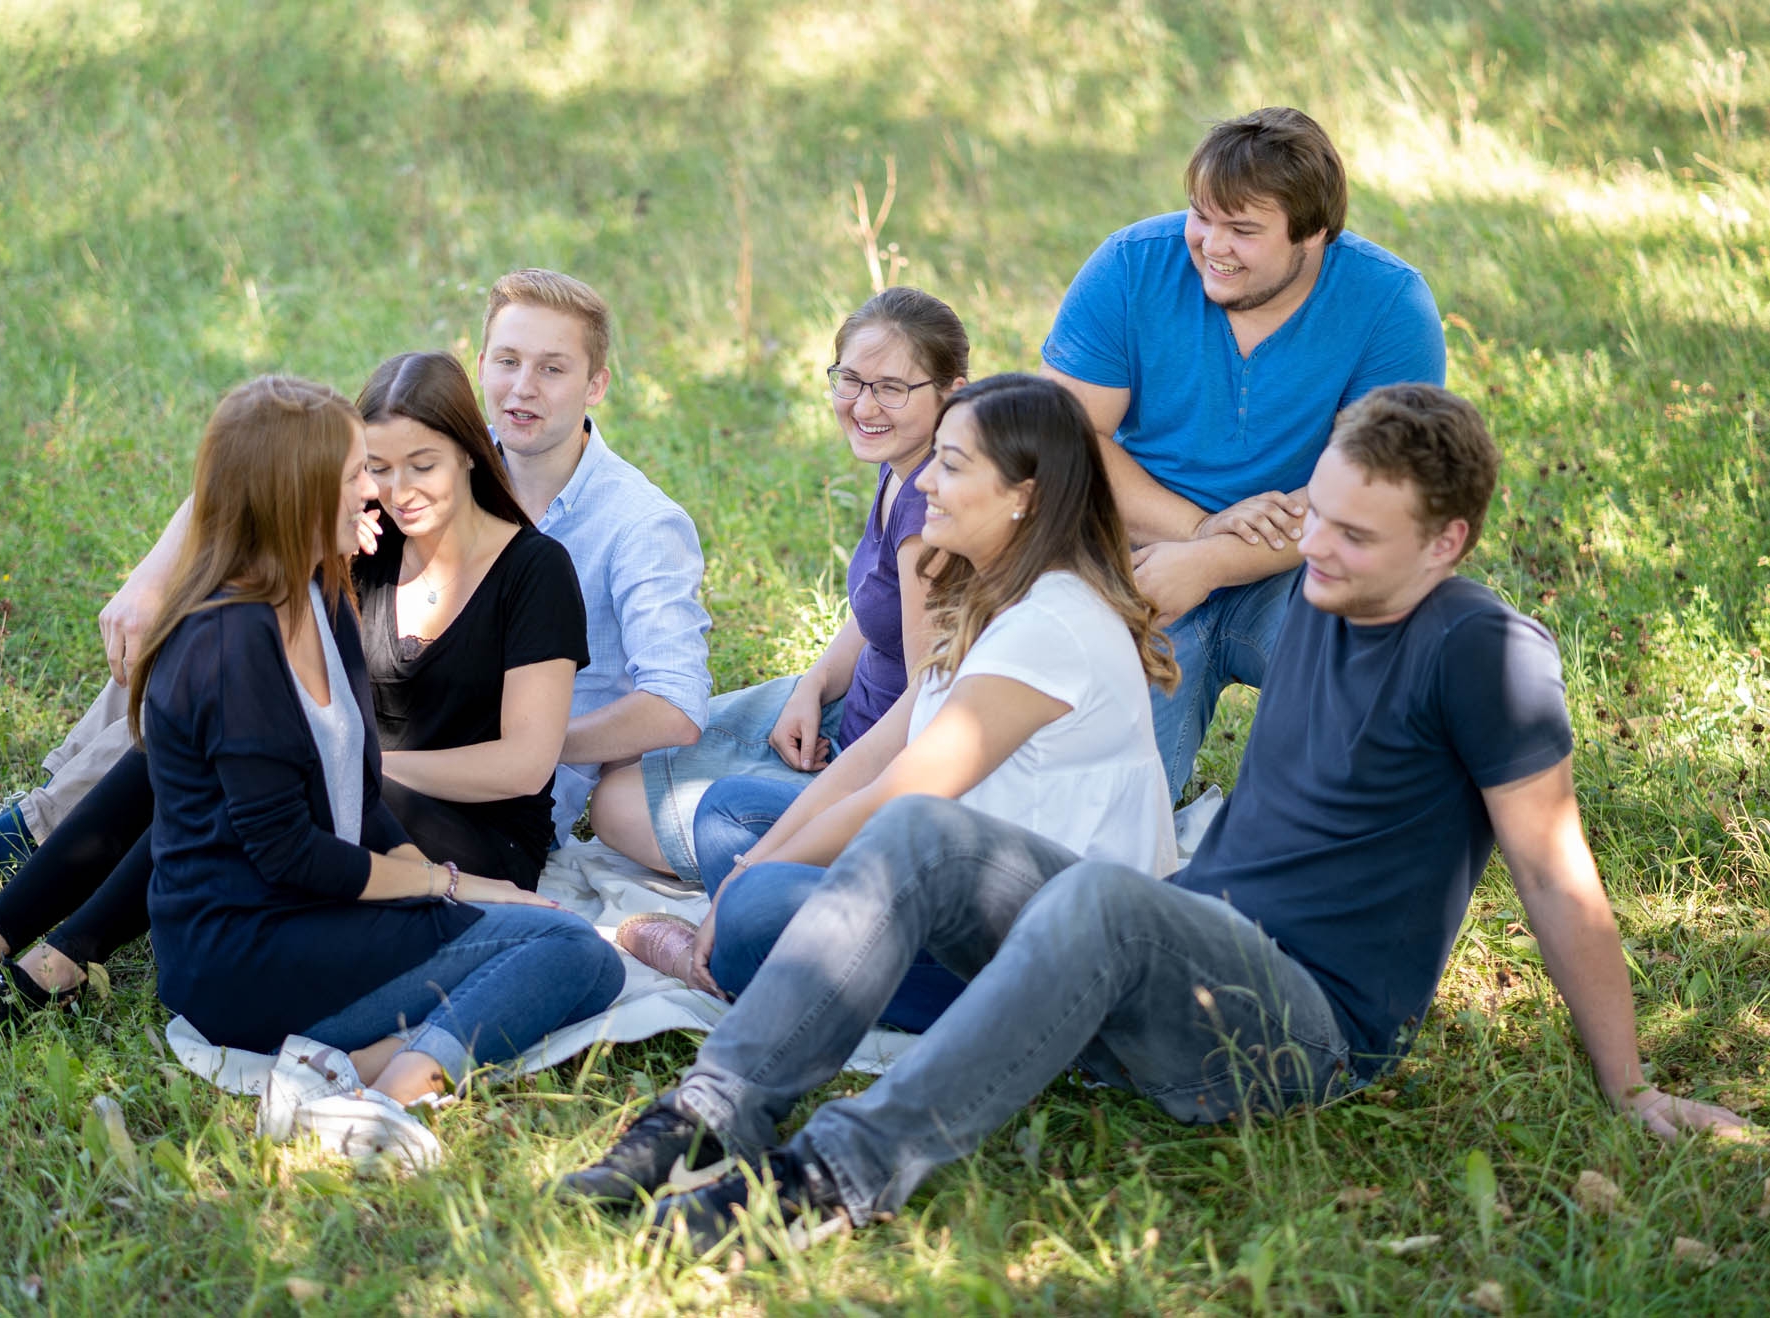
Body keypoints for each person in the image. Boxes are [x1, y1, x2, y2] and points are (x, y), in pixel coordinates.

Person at [556, 383, 1749, 1249]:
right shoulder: (1319, 592)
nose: (1313, 547)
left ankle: (835, 1175)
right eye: (1315, 512)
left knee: (1106, 897)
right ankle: (711, 1112)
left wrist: (1630, 1086)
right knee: (918, 832)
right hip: (1178, 942)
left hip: (1302, 1022)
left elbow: (1556, 871)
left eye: (1352, 534)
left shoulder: (1485, 653)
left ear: (1447, 543)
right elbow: (1118, 588)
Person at [0, 269, 711, 913]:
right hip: (376, 700)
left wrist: (529, 728)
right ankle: (20, 842)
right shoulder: (441, 438)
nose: (524, 389)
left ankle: (34, 884)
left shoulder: (637, 524)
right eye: (509, 361)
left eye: (553, 369)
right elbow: (268, 468)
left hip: (476, 785)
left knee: (246, 737)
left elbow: (675, 705)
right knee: (203, 626)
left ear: (596, 384)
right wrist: (149, 582)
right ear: (478, 361)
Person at [0, 353, 601, 1038]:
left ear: (473, 453)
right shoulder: (354, 543)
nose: (389, 492)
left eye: (420, 466)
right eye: (374, 467)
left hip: (469, 824)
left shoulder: (533, 570)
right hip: (346, 799)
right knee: (178, 761)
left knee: (252, 786)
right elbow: (248, 481)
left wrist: (338, 769)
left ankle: (58, 965)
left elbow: (523, 767)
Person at [134, 373, 621, 1168]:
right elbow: (290, 853)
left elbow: (360, 797)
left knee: (569, 944)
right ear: (297, 494)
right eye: (360, 472)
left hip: (316, 911)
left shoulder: (321, 597)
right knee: (573, 955)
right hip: (245, 948)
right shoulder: (230, 645)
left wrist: (457, 879)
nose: (377, 492)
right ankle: (390, 1095)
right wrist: (446, 888)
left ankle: (339, 1067)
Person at [624, 374, 1179, 1038]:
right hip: (956, 875)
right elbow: (876, 754)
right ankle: (751, 945)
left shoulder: (1047, 627)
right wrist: (753, 863)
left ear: (1022, 499)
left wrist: (747, 887)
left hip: (1041, 948)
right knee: (728, 814)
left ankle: (729, 959)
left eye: (950, 465)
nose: (922, 484)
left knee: (757, 908)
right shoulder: (997, 592)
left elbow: (897, 794)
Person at [1040, 105, 1446, 799]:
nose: (1210, 245)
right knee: (1104, 811)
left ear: (1313, 234)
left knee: (1399, 674)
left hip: (1303, 562)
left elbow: (1372, 497)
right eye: (1202, 215)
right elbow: (1061, 440)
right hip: (1143, 557)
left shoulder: (1388, 304)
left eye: (1243, 229)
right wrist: (1194, 532)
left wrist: (1213, 560)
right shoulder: (1131, 266)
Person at [590, 287, 967, 883]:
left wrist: (822, 812)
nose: (865, 406)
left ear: (953, 394)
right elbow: (882, 612)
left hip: (869, 759)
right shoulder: (902, 465)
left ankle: (783, 870)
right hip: (843, 709)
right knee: (624, 749)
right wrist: (812, 685)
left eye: (892, 388)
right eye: (850, 380)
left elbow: (928, 706)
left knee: (617, 805)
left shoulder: (929, 512)